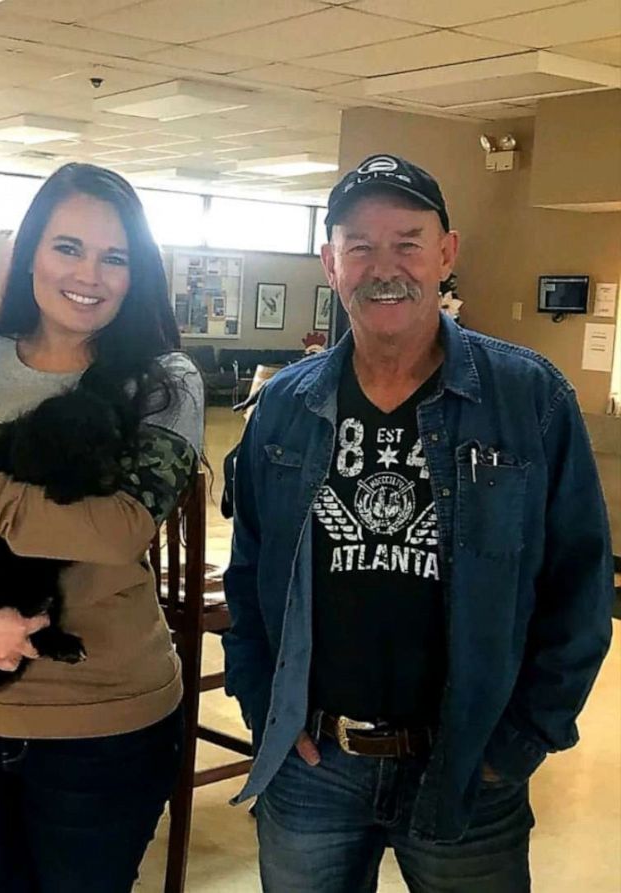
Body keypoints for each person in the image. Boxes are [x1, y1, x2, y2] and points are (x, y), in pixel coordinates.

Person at [223, 153, 614, 892]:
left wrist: (520, 740)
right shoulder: (284, 407)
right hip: (314, 767)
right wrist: (261, 703)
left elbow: (582, 587)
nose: (385, 266)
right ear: (329, 262)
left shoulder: (528, 399)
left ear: (447, 254)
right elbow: (249, 577)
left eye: (407, 241)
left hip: (468, 770)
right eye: (360, 246)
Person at [0, 162, 204, 892]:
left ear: (137, 269)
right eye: (68, 247)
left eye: (115, 256)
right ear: (31, 255)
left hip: (106, 715)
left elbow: (117, 531)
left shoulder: (163, 380)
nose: (90, 273)